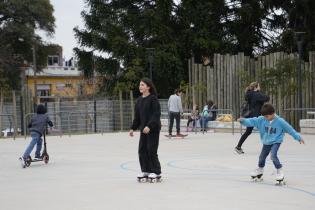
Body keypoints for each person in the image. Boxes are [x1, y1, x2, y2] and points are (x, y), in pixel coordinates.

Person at [239, 103, 305, 183]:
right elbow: (252, 121)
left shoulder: (280, 121)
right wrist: (243, 121)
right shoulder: (262, 119)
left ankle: (279, 170)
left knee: (273, 155)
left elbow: (290, 130)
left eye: (267, 116)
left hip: (276, 141)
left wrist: (298, 138)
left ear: (273, 114)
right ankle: (260, 170)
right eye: (264, 116)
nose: (265, 118)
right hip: (266, 142)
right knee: (261, 157)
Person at [129, 78, 162, 182]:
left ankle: (156, 172)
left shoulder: (153, 99)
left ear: (148, 87)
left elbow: (156, 114)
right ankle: (146, 170)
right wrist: (133, 128)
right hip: (144, 129)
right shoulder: (139, 100)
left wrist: (150, 126)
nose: (140, 87)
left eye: (142, 85)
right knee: (142, 150)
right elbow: (137, 117)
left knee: (151, 150)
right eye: (140, 85)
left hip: (153, 129)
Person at [235, 82, 269, 154]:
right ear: (256, 87)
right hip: (256, 117)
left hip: (251, 116)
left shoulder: (249, 94)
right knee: (266, 130)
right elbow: (266, 98)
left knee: (248, 132)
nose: (260, 87)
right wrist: (258, 92)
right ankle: (269, 147)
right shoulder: (256, 94)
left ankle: (238, 147)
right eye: (259, 86)